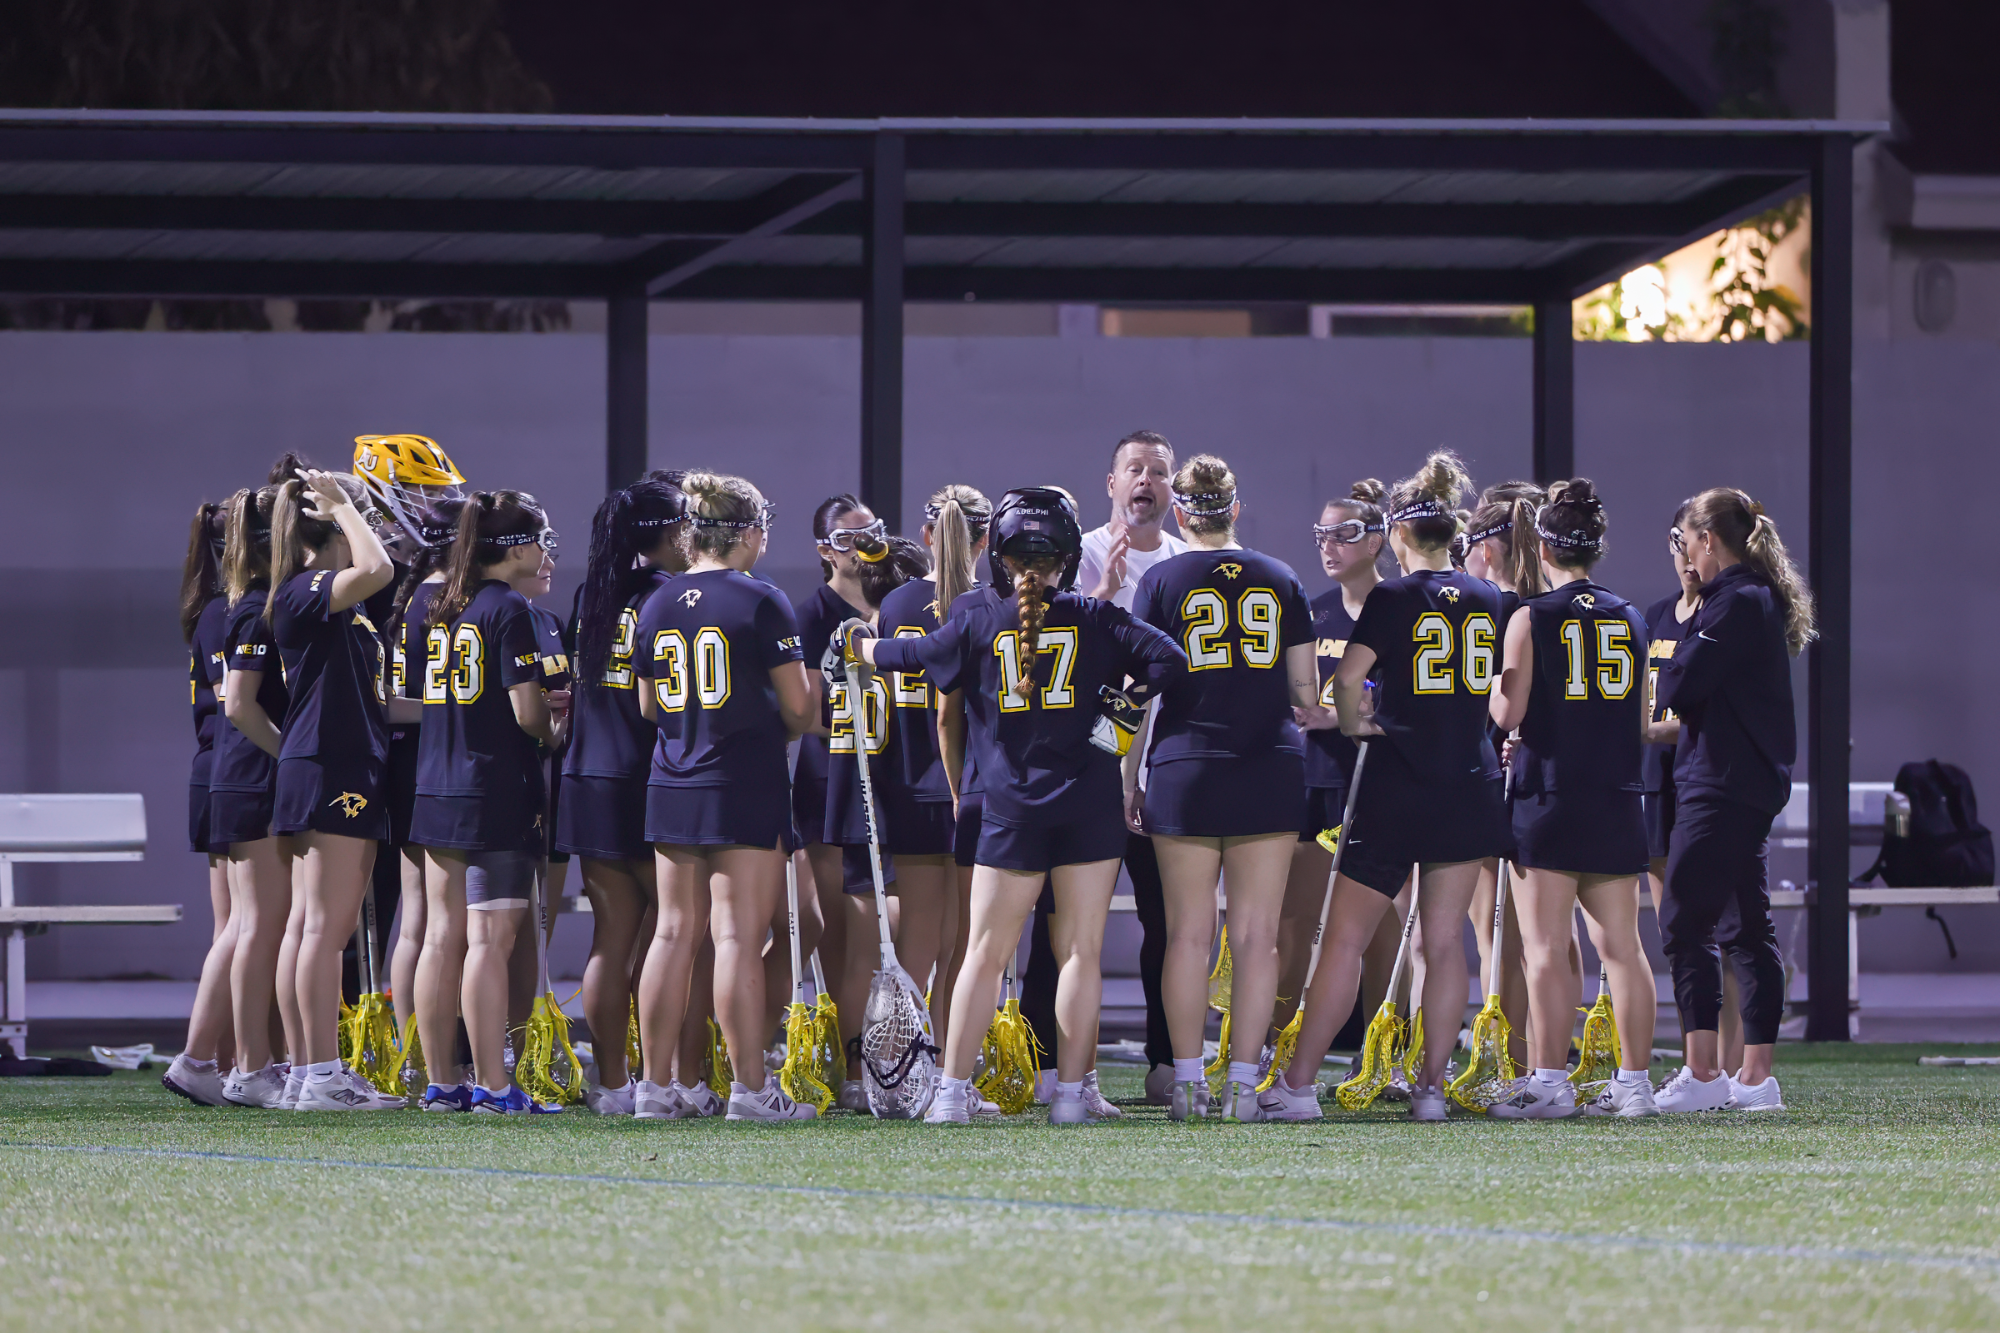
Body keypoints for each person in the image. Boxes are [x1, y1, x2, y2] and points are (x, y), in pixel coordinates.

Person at [852, 486, 1188, 1125]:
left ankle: (951, 1093)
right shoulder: (1096, 615)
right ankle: (1071, 1093)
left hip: (1008, 805)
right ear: (1068, 553)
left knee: (984, 951)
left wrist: (859, 649)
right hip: (1087, 805)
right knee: (1081, 952)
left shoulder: (978, 616)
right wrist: (1114, 721)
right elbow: (1169, 660)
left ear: (1001, 553)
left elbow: (912, 656)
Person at [1261, 451, 1507, 1123]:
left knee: (1342, 939)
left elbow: (1345, 681)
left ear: (1397, 533)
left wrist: (1356, 725)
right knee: (1443, 941)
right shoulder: (1489, 595)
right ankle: (1431, 1086)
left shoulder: (1395, 596)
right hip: (1468, 779)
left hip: (1398, 783)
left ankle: (1299, 1084)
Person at [1129, 455, 1318, 1121]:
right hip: (1267, 762)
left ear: (1182, 514)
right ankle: (1242, 1083)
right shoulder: (1283, 577)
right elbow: (1304, 694)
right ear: (1235, 508)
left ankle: (1187, 1083)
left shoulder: (1160, 578)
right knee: (1258, 936)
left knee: (1186, 933)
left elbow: (1140, 693)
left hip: (1185, 766)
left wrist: (1131, 778)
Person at [634, 471, 819, 1122]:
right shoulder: (761, 600)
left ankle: (653, 1089)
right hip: (741, 778)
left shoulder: (655, 603)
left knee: (672, 931)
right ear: (746, 532)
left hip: (672, 775)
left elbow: (649, 705)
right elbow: (799, 710)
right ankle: (750, 1089)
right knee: (736, 934)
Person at [1486, 480, 1660, 1119]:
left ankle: (1550, 1081)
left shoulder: (1532, 616)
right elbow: (1640, 718)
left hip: (1550, 795)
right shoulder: (1633, 617)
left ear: (1544, 545)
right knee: (1624, 947)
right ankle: (1635, 1084)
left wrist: (1487, 693)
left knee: (1544, 948)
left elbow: (1508, 711)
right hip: (1616, 796)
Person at [1652, 488, 1813, 1114]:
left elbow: (1681, 684)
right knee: (1747, 926)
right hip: (1740, 780)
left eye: (1686, 539)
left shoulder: (1733, 601)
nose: (1682, 553)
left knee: (1683, 921)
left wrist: (1689, 626)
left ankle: (1702, 1073)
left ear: (1707, 541)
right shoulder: (1752, 598)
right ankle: (1755, 1080)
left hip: (1719, 782)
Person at [410, 490, 567, 1115]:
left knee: (440, 937)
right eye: (540, 539)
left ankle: (442, 1080)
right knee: (490, 943)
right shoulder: (511, 608)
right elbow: (527, 713)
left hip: (435, 784)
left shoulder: (443, 604)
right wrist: (555, 733)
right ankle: (494, 1087)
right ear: (518, 548)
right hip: (493, 788)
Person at [266, 468, 403, 1111]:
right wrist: (349, 509)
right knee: (323, 930)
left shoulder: (330, 603)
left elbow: (372, 697)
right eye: (357, 522)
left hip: (332, 764)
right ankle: (319, 1071)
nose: (370, 529)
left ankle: (305, 1070)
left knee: (311, 927)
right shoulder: (303, 589)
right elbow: (379, 569)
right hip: (329, 768)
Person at [560, 477, 687, 1116]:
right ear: (668, 532)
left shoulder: (592, 593)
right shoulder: (670, 598)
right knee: (672, 934)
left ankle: (613, 1083)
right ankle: (668, 1078)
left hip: (587, 775)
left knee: (612, 939)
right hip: (644, 776)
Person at [1074, 430, 1188, 1104]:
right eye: (1134, 469)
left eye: (1159, 471)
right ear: (1110, 482)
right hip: (1092, 763)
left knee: (1167, 921)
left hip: (1161, 769)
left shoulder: (1183, 564)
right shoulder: (1083, 556)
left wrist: (1141, 772)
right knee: (1066, 919)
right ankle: (1055, 1062)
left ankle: (1168, 1058)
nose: (1146, 480)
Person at [1274, 481, 1402, 1072]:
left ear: (1376, 541)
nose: (1329, 545)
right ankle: (1280, 1045)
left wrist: (1343, 716)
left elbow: (1410, 706)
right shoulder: (1312, 609)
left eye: (1343, 534)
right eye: (1321, 534)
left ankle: (1380, 1051)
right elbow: (1293, 696)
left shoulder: (1401, 607)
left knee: (1380, 926)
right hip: (1314, 780)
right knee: (1295, 918)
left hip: (1378, 783)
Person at [1644, 501, 1746, 1074]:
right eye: (1678, 544)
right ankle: (1697, 1061)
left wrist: (1651, 729)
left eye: (1694, 544)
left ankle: (1730, 1066)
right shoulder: (1657, 616)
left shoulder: (1724, 614)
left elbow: (1711, 710)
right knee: (1679, 933)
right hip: (1659, 786)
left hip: (1705, 782)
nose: (1686, 558)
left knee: (1724, 931)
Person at [892, 484, 992, 1055]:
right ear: (985, 540)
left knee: (917, 939)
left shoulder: (898, 603)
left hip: (907, 783)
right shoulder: (983, 605)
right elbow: (954, 715)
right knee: (965, 943)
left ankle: (901, 1064)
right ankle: (951, 1062)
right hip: (969, 785)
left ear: (927, 535)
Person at [793, 493, 883, 1109]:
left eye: (872, 533)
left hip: (888, 780)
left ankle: (878, 1054)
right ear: (825, 550)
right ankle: (844, 1055)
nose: (866, 546)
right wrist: (861, 724)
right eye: (851, 538)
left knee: (879, 931)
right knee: (837, 928)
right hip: (830, 778)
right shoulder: (811, 611)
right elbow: (803, 709)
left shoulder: (897, 601)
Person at [161, 500, 241, 1104]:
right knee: (245, 926)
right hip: (230, 769)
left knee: (237, 926)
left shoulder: (216, 609)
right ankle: (197, 1057)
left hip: (218, 770)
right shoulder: (225, 613)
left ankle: (226, 1060)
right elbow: (235, 703)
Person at [380, 501, 463, 1057]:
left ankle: (412, 1052)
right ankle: (441, 1050)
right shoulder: (462, 604)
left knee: (415, 919)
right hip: (445, 765)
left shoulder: (404, 598)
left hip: (403, 762)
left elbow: (388, 704)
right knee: (446, 923)